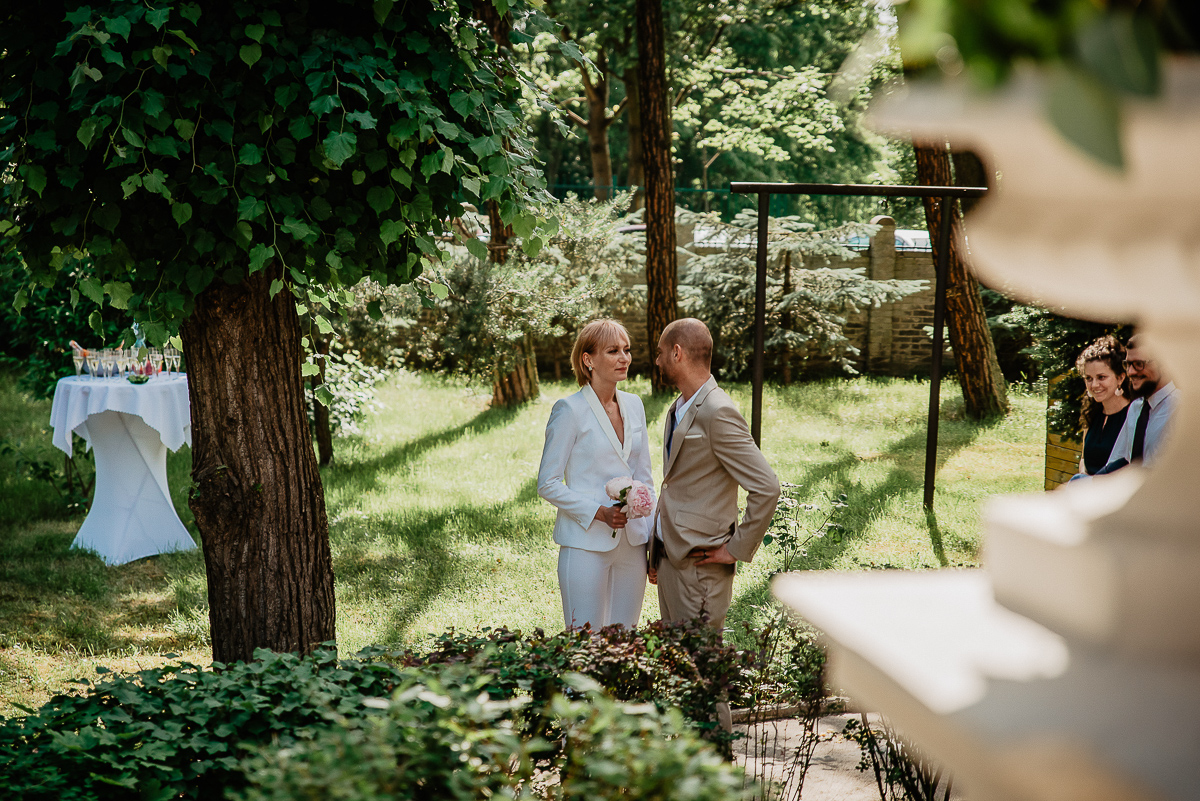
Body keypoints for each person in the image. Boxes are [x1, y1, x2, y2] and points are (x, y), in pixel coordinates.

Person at [648, 318, 780, 632]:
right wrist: (656, 548)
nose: (657, 360)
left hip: (700, 570)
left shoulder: (718, 412)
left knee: (700, 670)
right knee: (676, 667)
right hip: (669, 561)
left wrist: (735, 548)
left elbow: (766, 486)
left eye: (661, 352)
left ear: (676, 353)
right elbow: (675, 483)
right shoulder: (677, 407)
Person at [537, 319, 654, 630]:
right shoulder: (569, 410)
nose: (624, 358)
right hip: (585, 542)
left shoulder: (635, 405)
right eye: (613, 351)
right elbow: (547, 483)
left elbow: (646, 478)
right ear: (588, 360)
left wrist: (654, 542)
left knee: (623, 641)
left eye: (626, 350)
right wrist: (598, 512)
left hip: (633, 543)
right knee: (584, 644)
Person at [1094, 333, 1179, 474]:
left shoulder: (1183, 410)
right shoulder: (1136, 408)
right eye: (1127, 364)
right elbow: (1117, 461)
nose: (1130, 372)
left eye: (1139, 364)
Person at [1075, 336, 1132, 475]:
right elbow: (1084, 459)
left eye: (1101, 377)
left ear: (1120, 378)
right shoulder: (1092, 413)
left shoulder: (1133, 416)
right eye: (1089, 378)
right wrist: (1083, 480)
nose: (1094, 385)